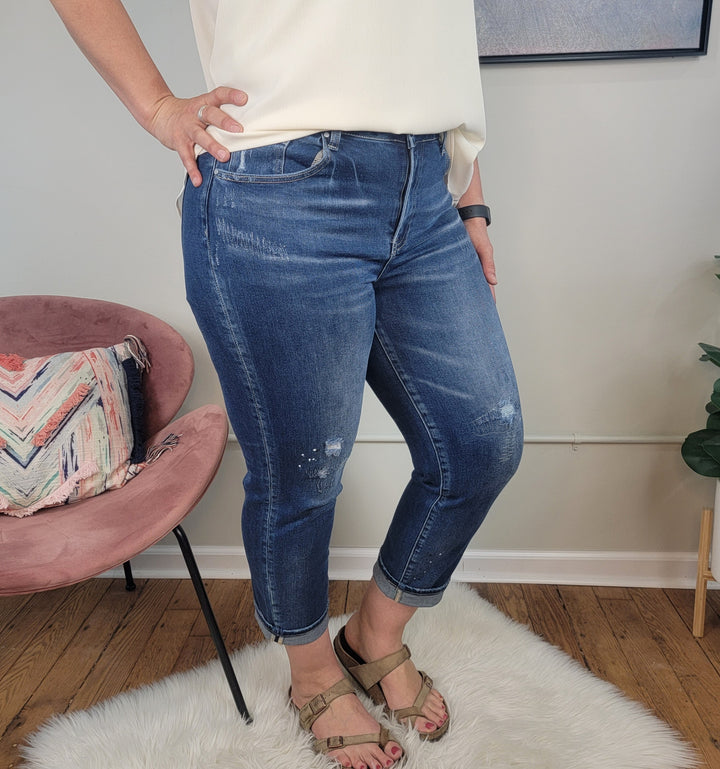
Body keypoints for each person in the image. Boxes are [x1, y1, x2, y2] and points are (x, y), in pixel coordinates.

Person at [48, 2, 523, 767]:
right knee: (302, 470)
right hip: (277, 186)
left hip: (428, 184)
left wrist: (469, 194)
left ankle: (374, 635)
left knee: (482, 441)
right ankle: (310, 671)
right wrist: (161, 108)